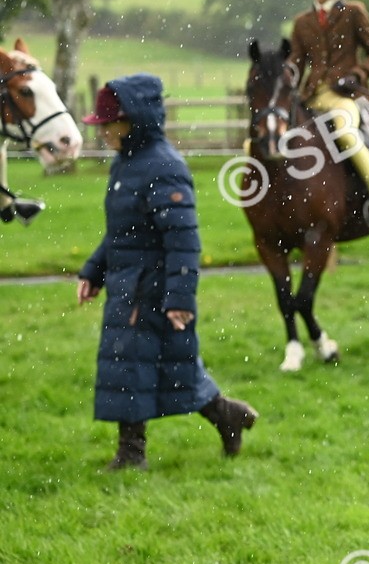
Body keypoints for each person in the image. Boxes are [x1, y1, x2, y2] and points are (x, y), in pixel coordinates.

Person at [78, 75, 259, 470]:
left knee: (135, 363)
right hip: (128, 284)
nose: (104, 132)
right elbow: (121, 232)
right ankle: (227, 415)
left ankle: (131, 455)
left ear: (134, 121)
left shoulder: (164, 168)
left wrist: (179, 299)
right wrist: (94, 271)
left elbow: (183, 242)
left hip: (151, 288)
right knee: (168, 367)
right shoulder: (126, 165)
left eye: (110, 124)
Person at [287, 0, 369, 227]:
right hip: (312, 97)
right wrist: (284, 84)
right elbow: (296, 63)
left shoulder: (354, 12)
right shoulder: (302, 23)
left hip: (343, 97)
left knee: (345, 133)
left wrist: (357, 74)